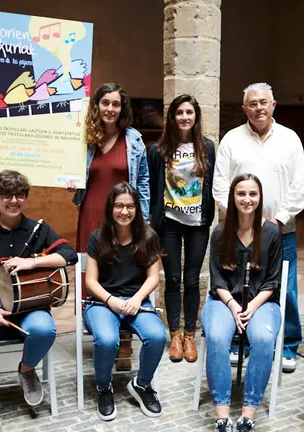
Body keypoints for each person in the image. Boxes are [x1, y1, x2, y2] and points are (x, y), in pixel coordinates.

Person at [0, 170, 78, 432]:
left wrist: (32, 262)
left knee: (45, 329)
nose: (13, 200)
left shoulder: (38, 230)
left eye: (19, 195)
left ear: (25, 197)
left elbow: (68, 255)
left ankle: (26, 369)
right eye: (6, 195)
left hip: (28, 307)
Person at [213, 82, 304, 373]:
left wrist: (276, 221)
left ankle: (288, 346)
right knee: (240, 289)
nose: (259, 108)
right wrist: (241, 221)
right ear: (245, 109)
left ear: (273, 105)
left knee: (285, 291)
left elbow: (299, 186)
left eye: (263, 102)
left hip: (281, 232)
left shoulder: (290, 140)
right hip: (238, 233)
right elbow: (220, 186)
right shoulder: (231, 139)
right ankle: (240, 343)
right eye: (252, 104)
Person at [66, 83, 151, 371]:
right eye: (105, 103)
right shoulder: (86, 138)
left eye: (115, 103)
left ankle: (125, 341)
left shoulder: (134, 140)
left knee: (126, 271)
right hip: (92, 213)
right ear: (97, 105)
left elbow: (143, 183)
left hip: (126, 216)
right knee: (93, 273)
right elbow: (75, 177)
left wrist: (145, 219)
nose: (110, 109)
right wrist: (69, 181)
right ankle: (102, 332)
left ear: (122, 108)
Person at [203, 173, 283, 432]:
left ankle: (248, 414)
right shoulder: (219, 232)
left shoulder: (271, 232)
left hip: (262, 302)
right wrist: (235, 307)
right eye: (241, 194)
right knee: (215, 336)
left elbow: (272, 281)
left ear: (260, 198)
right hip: (224, 300)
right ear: (232, 197)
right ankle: (222, 417)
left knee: (261, 338)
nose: (247, 199)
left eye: (252, 194)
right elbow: (217, 280)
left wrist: (252, 307)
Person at [84, 182, 166, 421]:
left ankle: (141, 384)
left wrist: (137, 299)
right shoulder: (97, 237)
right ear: (111, 208)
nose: (124, 211)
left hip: (136, 302)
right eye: (119, 205)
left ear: (137, 209)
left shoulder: (149, 236)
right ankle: (104, 387)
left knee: (158, 336)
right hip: (101, 302)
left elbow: (153, 278)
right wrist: (111, 300)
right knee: (107, 340)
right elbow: (91, 281)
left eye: (130, 206)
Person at [148, 94, 216, 363]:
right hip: (169, 223)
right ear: (172, 117)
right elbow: (152, 185)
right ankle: (174, 334)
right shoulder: (158, 150)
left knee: (192, 279)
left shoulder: (207, 148)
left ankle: (190, 334)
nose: (185, 117)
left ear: (196, 116)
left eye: (189, 112)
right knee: (173, 279)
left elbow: (212, 183)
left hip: (198, 223)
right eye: (180, 112)